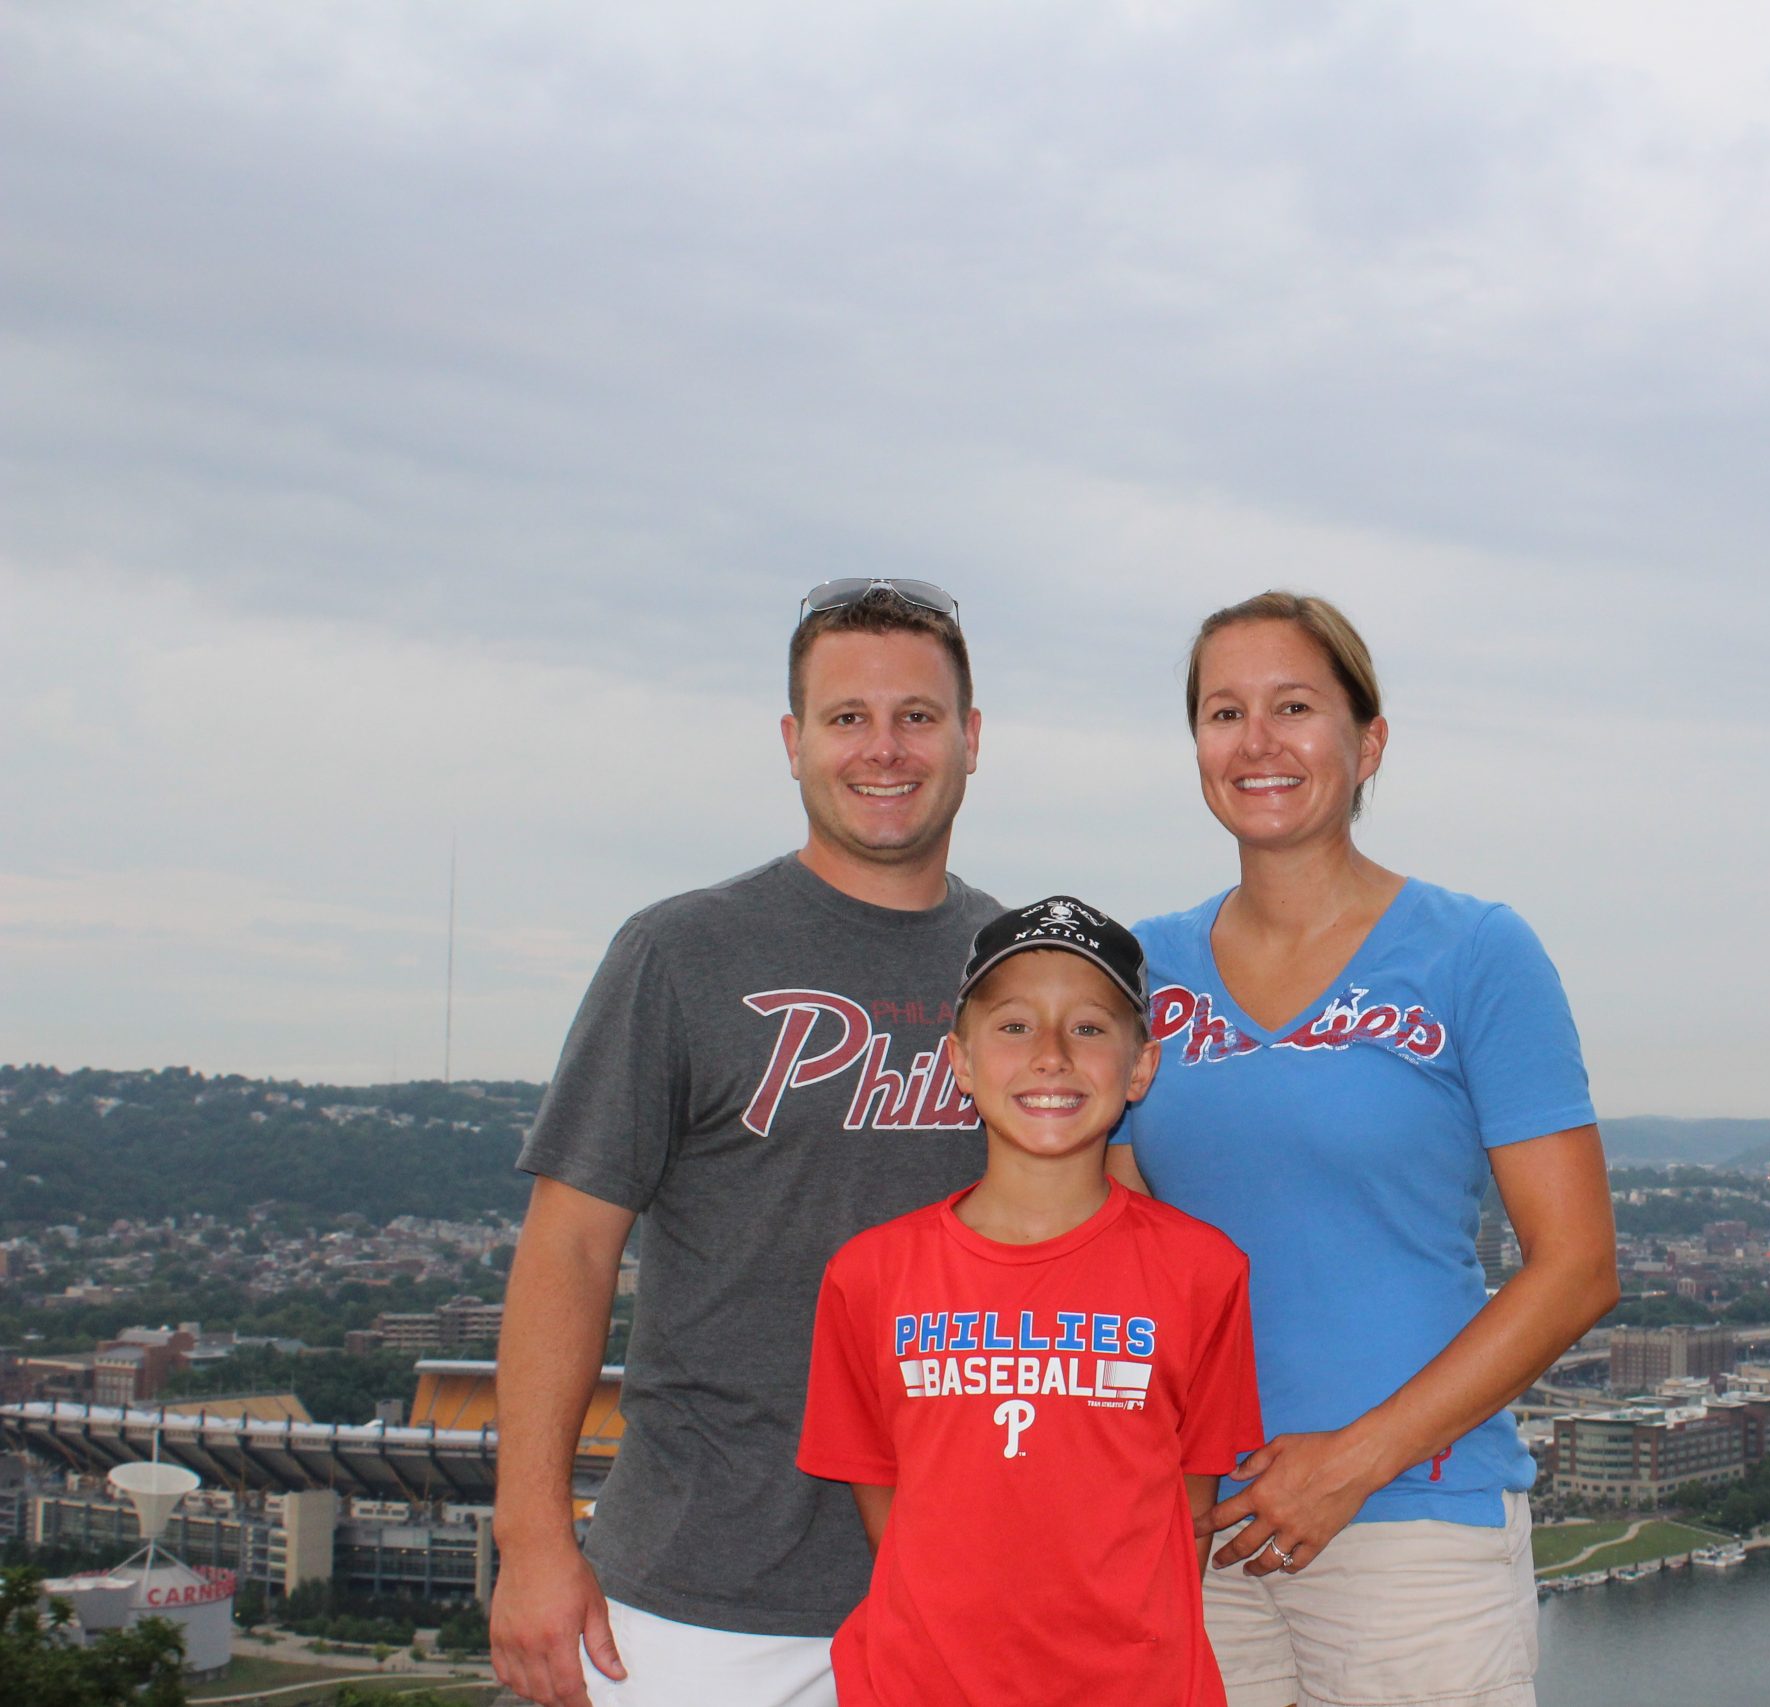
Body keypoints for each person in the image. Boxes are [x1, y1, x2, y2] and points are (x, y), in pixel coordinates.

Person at [491, 578, 1005, 1707]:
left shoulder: (1018, 973)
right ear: (792, 743)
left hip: (960, 1591)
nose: (884, 749)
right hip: (698, 1596)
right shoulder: (682, 952)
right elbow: (569, 1250)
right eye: (846, 717)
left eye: (917, 716)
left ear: (970, 740)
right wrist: (532, 1544)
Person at [1108, 591, 1619, 1707]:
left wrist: (1348, 1464)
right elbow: (1109, 1244)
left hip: (1413, 1532)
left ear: (1367, 740)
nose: (1257, 743)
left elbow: (1577, 1266)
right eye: (1223, 712)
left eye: (1294, 706)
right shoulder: (1141, 970)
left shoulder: (1477, 952)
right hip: (1193, 1530)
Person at [798, 896, 1263, 1706]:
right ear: (960, 1060)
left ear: (1141, 1065)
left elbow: (1185, 1511)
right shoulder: (869, 1274)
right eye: (1014, 1026)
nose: (1051, 1055)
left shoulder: (1202, 1271)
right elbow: (889, 1509)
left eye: (1088, 1027)